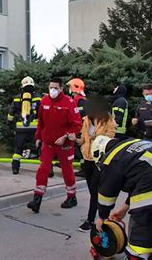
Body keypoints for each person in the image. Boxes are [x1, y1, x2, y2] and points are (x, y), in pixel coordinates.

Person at [92, 135, 152, 260]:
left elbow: (106, 194)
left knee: (140, 242)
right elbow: (142, 176)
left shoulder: (112, 158)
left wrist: (102, 217)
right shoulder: (135, 145)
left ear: (100, 153)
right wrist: (123, 209)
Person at [27, 77, 82, 213]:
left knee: (66, 170)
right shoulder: (44, 101)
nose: (53, 90)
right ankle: (37, 199)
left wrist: (65, 137)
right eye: (51, 87)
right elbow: (41, 122)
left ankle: (71, 196)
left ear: (61, 89)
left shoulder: (69, 103)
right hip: (48, 143)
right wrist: (38, 137)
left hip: (64, 144)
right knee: (43, 169)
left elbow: (77, 124)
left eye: (56, 88)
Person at [75, 96, 116, 232]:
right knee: (93, 191)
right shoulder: (86, 120)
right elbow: (83, 139)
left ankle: (90, 220)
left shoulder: (107, 119)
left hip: (101, 159)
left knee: (94, 189)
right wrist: (75, 139)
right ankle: (103, 215)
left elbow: (111, 137)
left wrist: (97, 138)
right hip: (88, 158)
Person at [7, 76, 41, 174]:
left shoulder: (17, 98)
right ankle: (48, 169)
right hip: (35, 128)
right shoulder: (38, 97)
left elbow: (11, 113)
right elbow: (42, 113)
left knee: (18, 149)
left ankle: (15, 168)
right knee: (41, 148)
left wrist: (9, 123)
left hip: (21, 128)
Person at [67, 78, 87, 177]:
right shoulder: (77, 100)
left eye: (70, 86)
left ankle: (84, 169)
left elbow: (79, 115)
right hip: (79, 128)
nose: (69, 88)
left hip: (81, 129)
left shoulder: (80, 101)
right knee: (76, 147)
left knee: (78, 147)